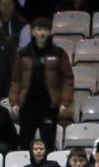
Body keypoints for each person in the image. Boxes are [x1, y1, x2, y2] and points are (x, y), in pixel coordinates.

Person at [9, 17, 74, 151]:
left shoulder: (58, 53)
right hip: (27, 104)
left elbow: (67, 79)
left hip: (48, 105)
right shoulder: (22, 53)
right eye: (39, 30)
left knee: (48, 142)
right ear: (33, 32)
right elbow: (16, 80)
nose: (42, 33)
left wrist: (65, 102)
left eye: (45, 30)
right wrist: (14, 102)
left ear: (50, 32)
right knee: (25, 141)